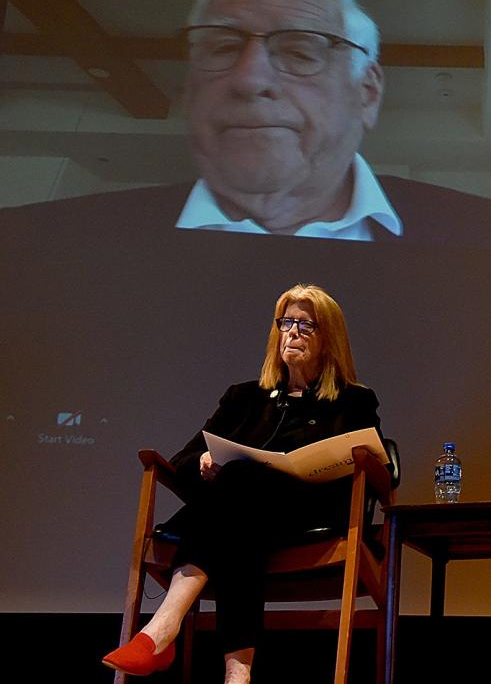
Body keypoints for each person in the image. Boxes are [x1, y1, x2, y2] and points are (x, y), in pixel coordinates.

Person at [0, 0, 491, 252]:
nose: (250, 77)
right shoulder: (23, 248)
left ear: (368, 92)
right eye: (221, 46)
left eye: (302, 50)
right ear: (188, 88)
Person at [101, 284, 383, 683]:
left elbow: (373, 464)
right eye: (286, 323)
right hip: (244, 520)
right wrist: (202, 464)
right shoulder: (243, 398)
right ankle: (236, 675)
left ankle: (161, 630)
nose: (293, 333)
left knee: (240, 490)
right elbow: (181, 463)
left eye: (306, 325)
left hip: (310, 516)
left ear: (329, 338)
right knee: (239, 513)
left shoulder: (354, 401)